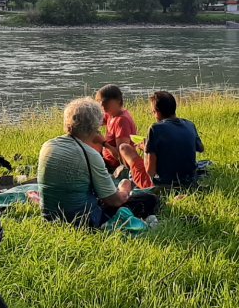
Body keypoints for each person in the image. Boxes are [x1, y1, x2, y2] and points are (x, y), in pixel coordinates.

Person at [37, 97, 159, 228]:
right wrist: (124, 189)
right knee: (149, 199)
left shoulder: (47, 145)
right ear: (95, 127)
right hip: (82, 220)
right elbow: (114, 201)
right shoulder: (89, 155)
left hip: (49, 216)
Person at [94, 84, 153, 189]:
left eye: (105, 101)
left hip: (116, 166)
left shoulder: (122, 120)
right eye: (100, 101)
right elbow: (96, 121)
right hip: (106, 160)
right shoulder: (111, 115)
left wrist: (103, 143)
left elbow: (121, 155)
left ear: (117, 101)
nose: (102, 104)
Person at [144, 91, 204, 187]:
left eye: (153, 112)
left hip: (166, 182)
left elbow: (150, 171)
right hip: (190, 179)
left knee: (129, 154)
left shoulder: (155, 129)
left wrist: (146, 150)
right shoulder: (190, 124)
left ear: (157, 112)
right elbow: (201, 148)